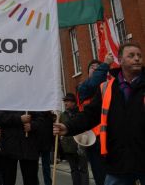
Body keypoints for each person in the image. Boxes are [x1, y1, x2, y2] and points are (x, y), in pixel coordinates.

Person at [54, 42, 145, 185]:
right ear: (120, 60)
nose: (137, 59)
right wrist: (68, 127)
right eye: (131, 56)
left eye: (139, 55)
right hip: (117, 162)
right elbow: (90, 115)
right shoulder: (105, 88)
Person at [76, 53, 114, 185]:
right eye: (92, 67)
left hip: (111, 136)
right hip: (95, 139)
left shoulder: (107, 86)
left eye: (97, 67)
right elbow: (93, 83)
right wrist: (104, 65)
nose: (95, 68)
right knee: (101, 176)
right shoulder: (83, 86)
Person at [0, 111, 42, 185]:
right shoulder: (4, 100)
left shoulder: (33, 100)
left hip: (29, 147)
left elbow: (41, 120)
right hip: (9, 146)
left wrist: (32, 126)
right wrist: (19, 119)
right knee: (8, 180)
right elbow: (0, 118)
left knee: (31, 180)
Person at [59, 93, 89, 185]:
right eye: (65, 101)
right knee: (74, 170)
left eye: (67, 101)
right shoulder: (62, 115)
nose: (66, 103)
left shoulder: (81, 113)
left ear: (73, 102)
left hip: (81, 145)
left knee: (83, 169)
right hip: (68, 147)